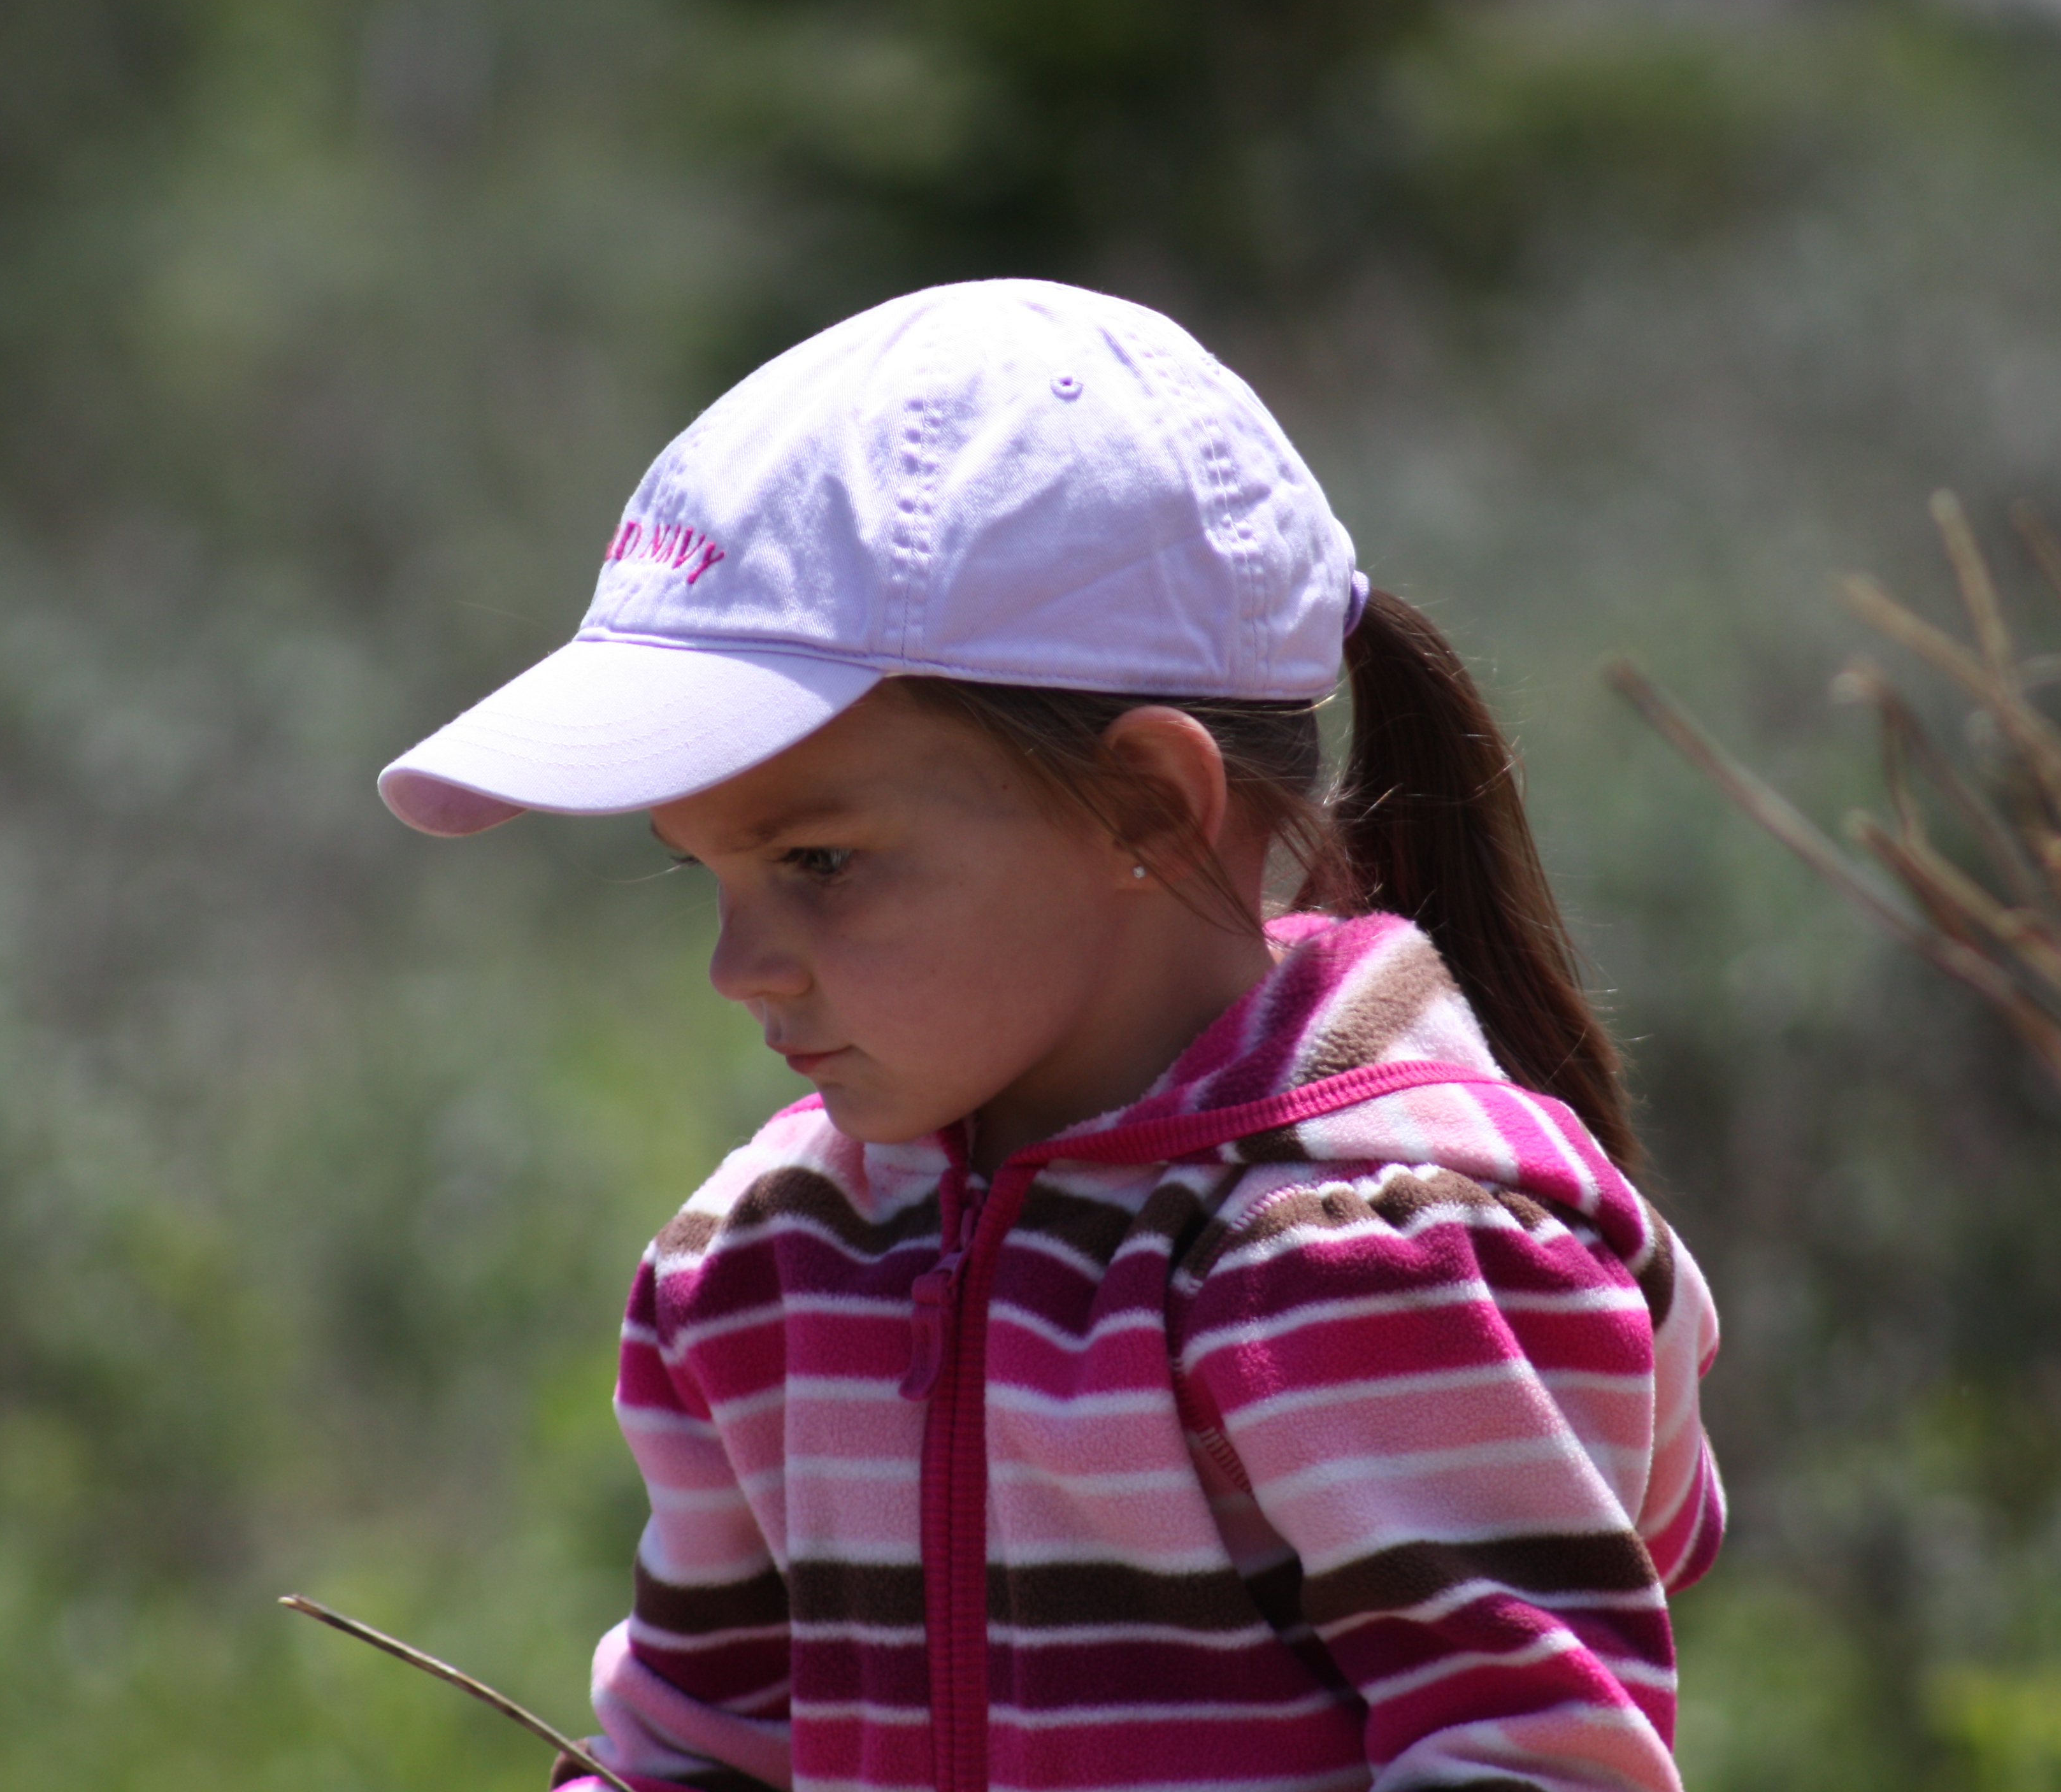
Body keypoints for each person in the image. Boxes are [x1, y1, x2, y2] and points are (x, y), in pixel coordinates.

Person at [377, 279, 1724, 1792]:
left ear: (1150, 804)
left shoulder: (1373, 1258)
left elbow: (1537, 1763)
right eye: (714, 872)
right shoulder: (763, 1264)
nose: (739, 967)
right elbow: (694, 1747)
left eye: (818, 862)